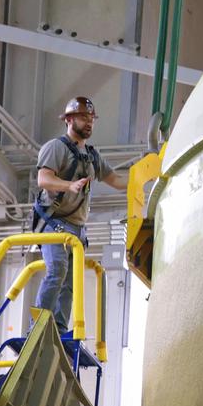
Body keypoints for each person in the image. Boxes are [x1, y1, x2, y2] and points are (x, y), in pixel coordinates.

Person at [33, 96, 125, 350]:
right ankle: (39, 325)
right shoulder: (56, 147)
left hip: (77, 229)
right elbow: (43, 179)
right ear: (69, 119)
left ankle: (59, 330)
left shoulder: (92, 156)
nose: (89, 123)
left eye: (91, 119)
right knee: (57, 271)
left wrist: (146, 177)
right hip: (54, 222)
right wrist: (68, 185)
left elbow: (116, 181)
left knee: (71, 283)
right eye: (84, 117)